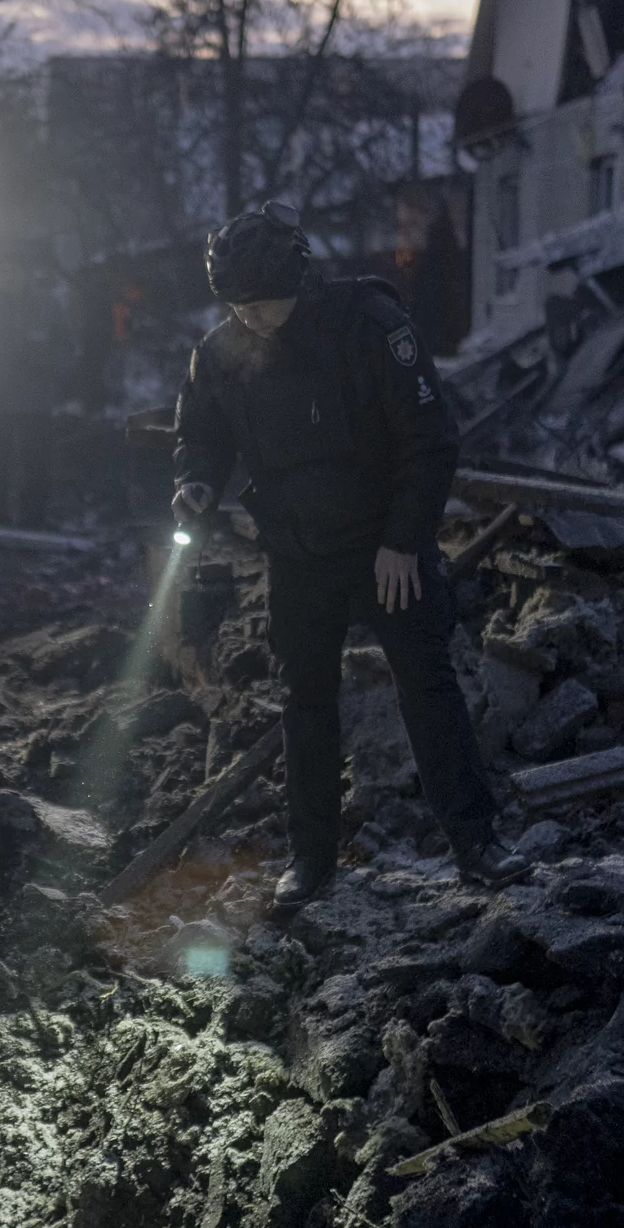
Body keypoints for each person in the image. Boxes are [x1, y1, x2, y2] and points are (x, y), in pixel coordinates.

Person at [172, 203, 520, 913]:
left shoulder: (370, 326)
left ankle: (476, 841)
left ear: (296, 282)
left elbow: (429, 439)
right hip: (298, 550)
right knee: (305, 699)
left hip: (385, 542)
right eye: (237, 308)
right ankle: (312, 858)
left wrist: (404, 540)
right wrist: (197, 481)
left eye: (260, 306)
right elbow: (202, 431)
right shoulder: (222, 351)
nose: (249, 320)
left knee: (427, 685)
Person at [0, 252, 64, 530]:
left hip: (35, 398)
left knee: (36, 461)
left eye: (14, 271)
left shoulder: (47, 306)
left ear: (25, 274)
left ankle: (34, 516)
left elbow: (66, 345)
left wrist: (46, 364)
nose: (9, 278)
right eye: (3, 272)